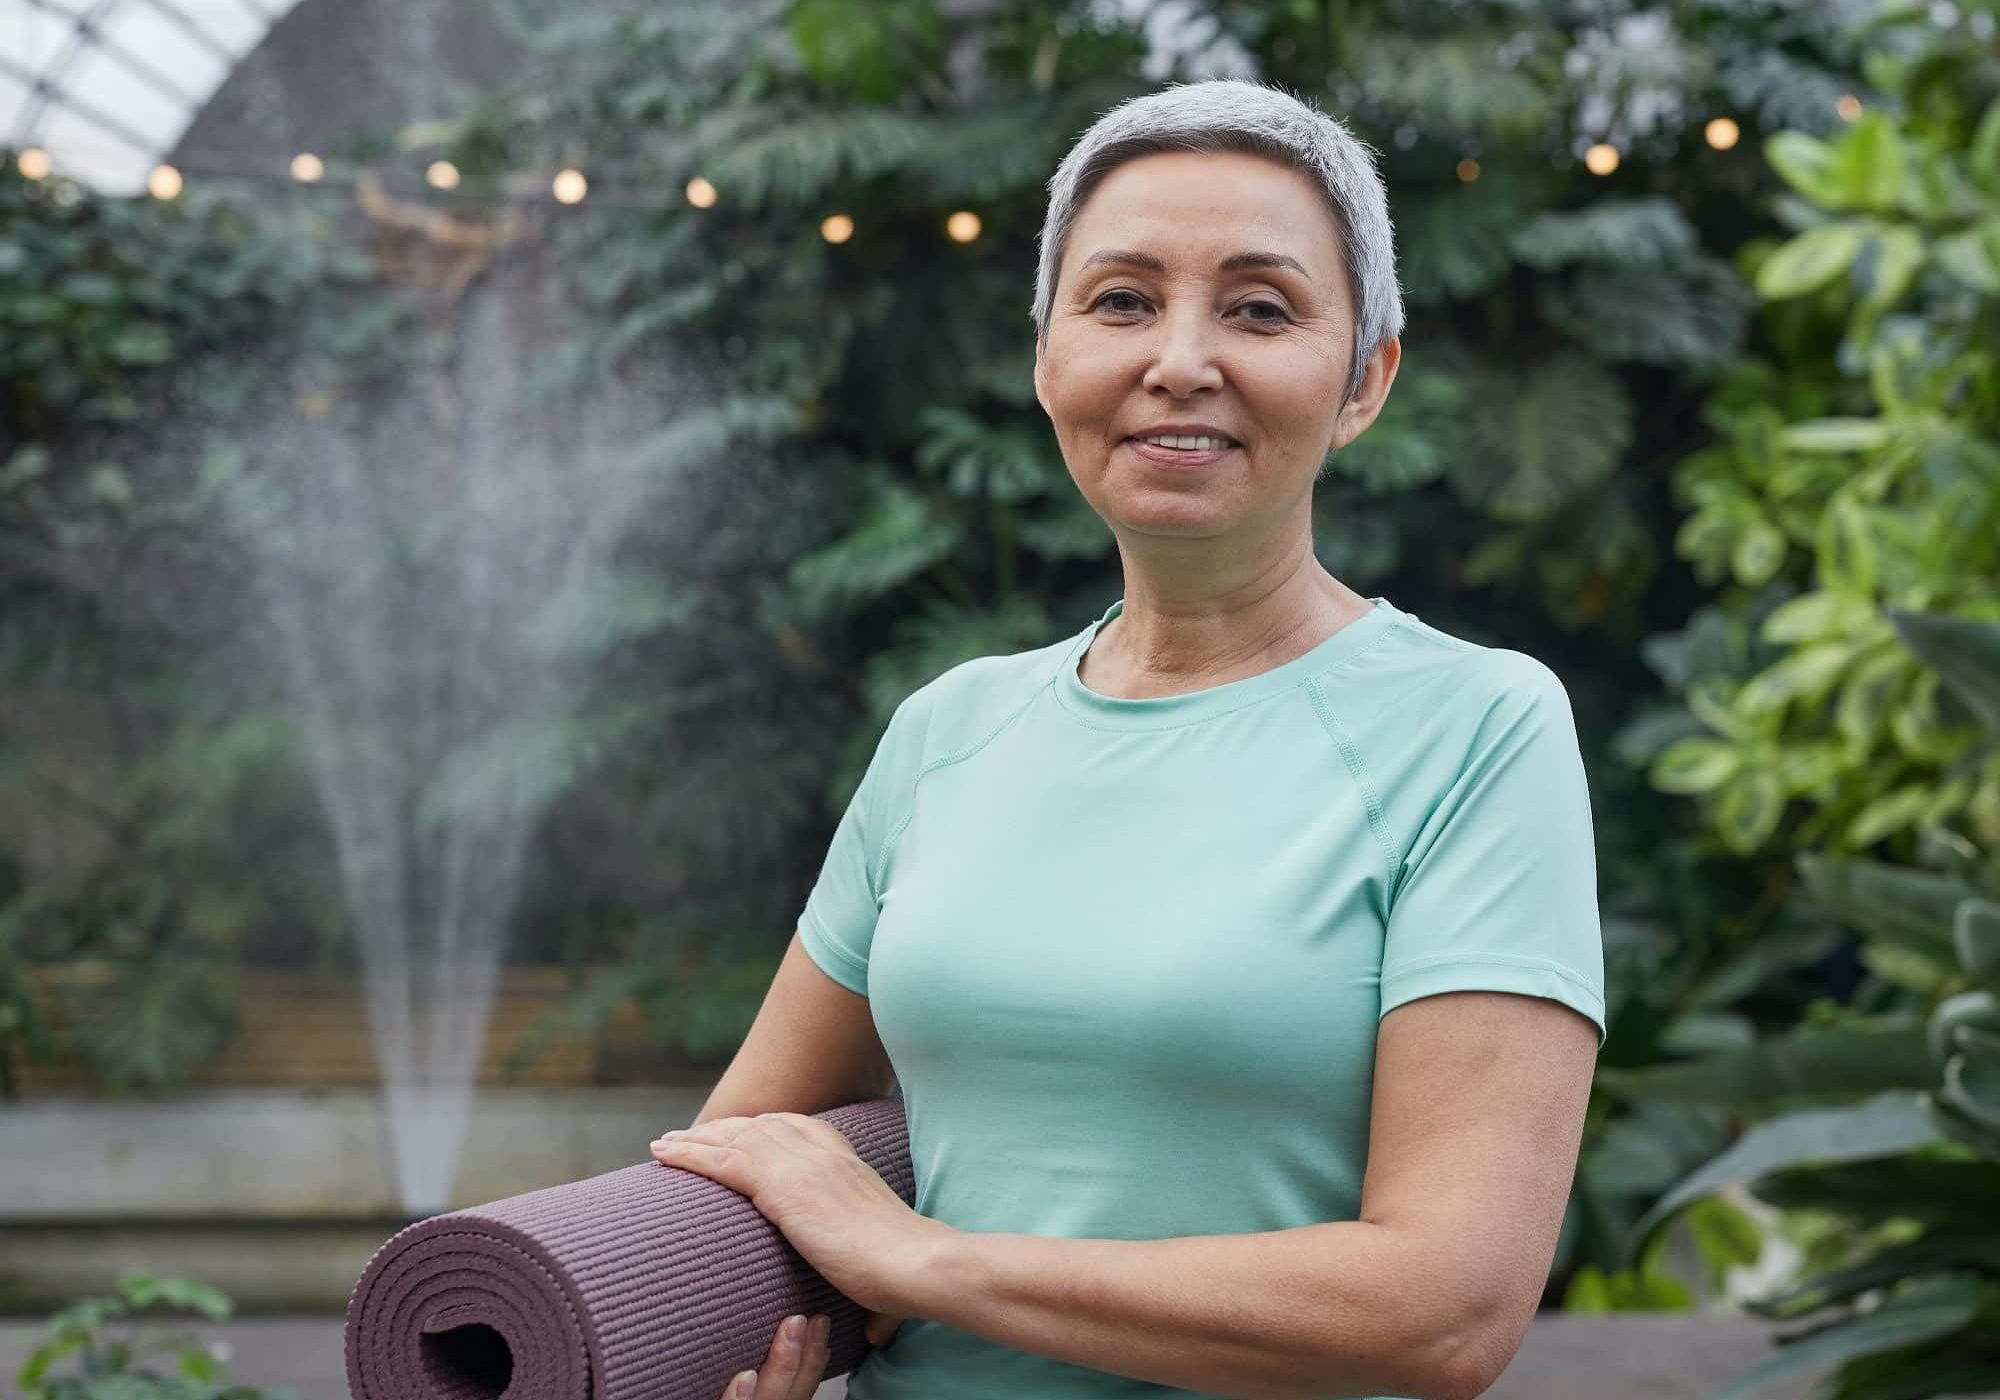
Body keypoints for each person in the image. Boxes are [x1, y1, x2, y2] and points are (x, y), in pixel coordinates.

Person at [685, 76, 1604, 1400]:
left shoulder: (1474, 730)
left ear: (1363, 381)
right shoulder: (951, 730)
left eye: (1260, 307)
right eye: (1121, 300)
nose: (1180, 359)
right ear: (1048, 356)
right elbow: (743, 1157)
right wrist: (732, 1328)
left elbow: (1445, 1308)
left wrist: (924, 1264)